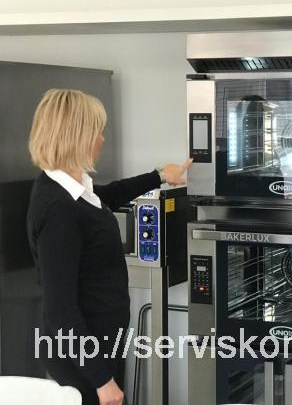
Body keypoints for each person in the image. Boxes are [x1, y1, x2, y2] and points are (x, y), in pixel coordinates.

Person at [26, 89, 192, 405]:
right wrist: (102, 380)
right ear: (76, 137)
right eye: (97, 131)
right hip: (82, 359)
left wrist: (160, 175)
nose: (102, 139)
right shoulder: (58, 209)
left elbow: (109, 196)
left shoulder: (72, 189)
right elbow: (60, 310)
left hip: (99, 345)